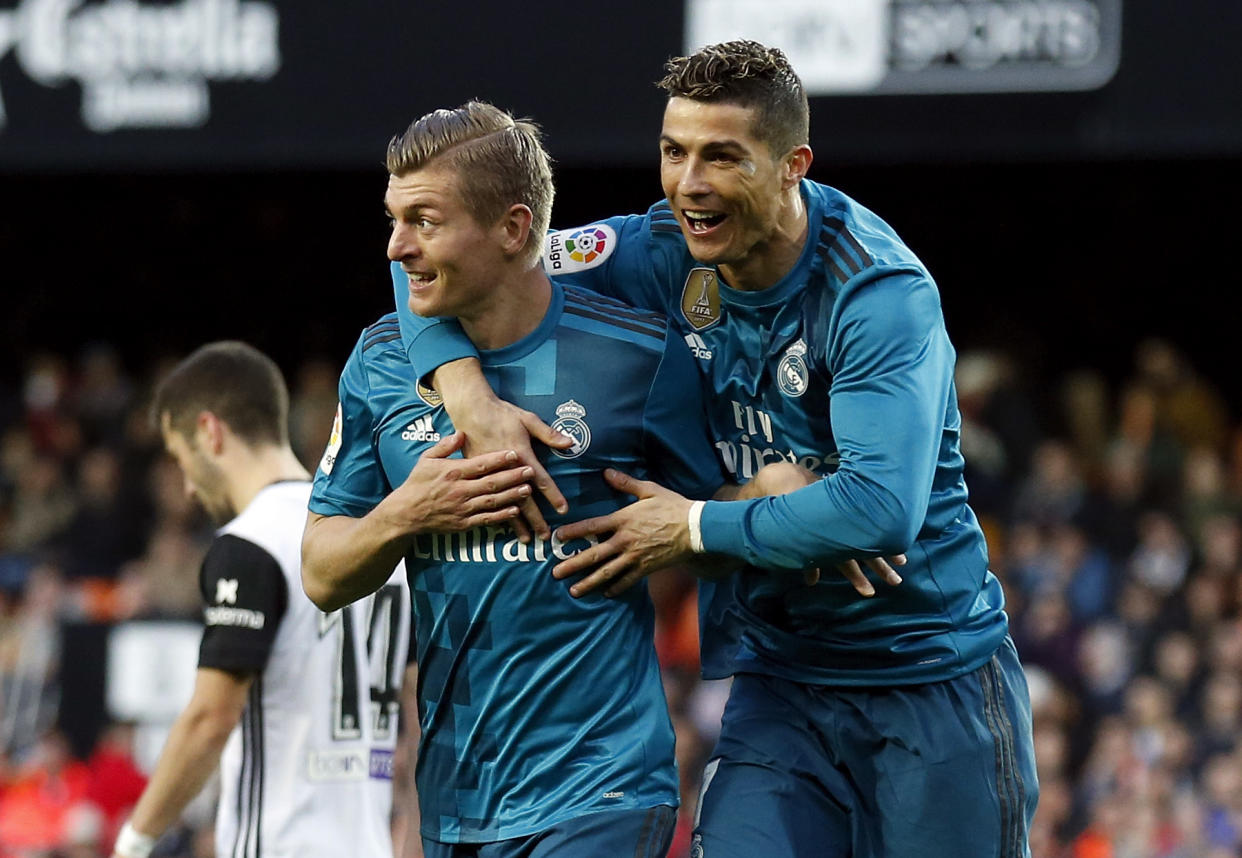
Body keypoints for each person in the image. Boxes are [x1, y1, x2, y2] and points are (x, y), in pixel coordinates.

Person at [395, 41, 1039, 858]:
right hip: (782, 689)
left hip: (927, 678)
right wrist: (468, 395)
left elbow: (878, 511)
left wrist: (695, 526)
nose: (689, 183)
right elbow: (446, 256)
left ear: (790, 165)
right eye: (674, 151)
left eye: (721, 157)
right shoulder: (660, 252)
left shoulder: (875, 292)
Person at [300, 101, 745, 858]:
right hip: (456, 797)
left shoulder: (638, 356)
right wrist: (403, 515)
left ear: (512, 229)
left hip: (602, 784)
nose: (396, 247)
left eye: (425, 222)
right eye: (393, 218)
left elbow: (709, 531)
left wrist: (731, 516)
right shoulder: (379, 363)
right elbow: (320, 570)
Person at [111, 342, 411, 858]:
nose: (186, 486)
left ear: (210, 431)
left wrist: (134, 841)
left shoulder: (250, 542)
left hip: (281, 842)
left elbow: (211, 717)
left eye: (182, 458)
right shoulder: (371, 537)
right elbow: (418, 716)